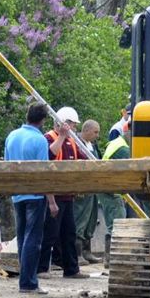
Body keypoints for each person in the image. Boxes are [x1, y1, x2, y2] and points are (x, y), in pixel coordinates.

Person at [3, 103, 55, 294]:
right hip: (35, 194)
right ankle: (28, 283)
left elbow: (6, 165)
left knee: (23, 238)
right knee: (33, 239)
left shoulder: (12, 136)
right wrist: (51, 201)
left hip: (17, 194)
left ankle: (25, 280)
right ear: (42, 120)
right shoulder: (40, 140)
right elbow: (43, 172)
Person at [40, 106, 83, 279]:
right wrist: (51, 200)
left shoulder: (73, 141)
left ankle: (71, 269)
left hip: (67, 195)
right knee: (49, 233)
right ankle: (42, 268)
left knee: (69, 233)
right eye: (72, 124)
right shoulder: (49, 138)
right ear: (63, 123)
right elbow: (49, 158)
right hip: (54, 194)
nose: (74, 128)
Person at [100, 123, 132, 266]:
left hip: (108, 188)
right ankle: (113, 259)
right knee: (117, 223)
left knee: (114, 222)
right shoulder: (123, 149)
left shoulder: (117, 142)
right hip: (111, 190)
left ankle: (109, 258)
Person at [71, 119, 103, 264]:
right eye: (95, 132)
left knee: (91, 219)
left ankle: (87, 251)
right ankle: (77, 254)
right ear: (87, 130)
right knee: (80, 219)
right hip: (82, 189)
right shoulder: (76, 143)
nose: (97, 135)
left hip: (93, 188)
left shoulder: (92, 145)